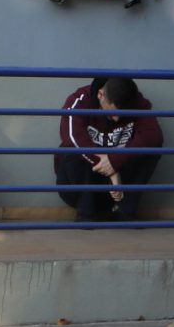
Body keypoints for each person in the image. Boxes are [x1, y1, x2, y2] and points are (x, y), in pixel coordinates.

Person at [54, 75, 163, 221]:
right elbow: (72, 138)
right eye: (113, 112)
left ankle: (125, 211)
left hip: (118, 191)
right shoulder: (80, 100)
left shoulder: (138, 102)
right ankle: (86, 214)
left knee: (151, 150)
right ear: (100, 95)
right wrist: (112, 171)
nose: (117, 119)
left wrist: (114, 161)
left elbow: (154, 136)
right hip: (80, 187)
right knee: (72, 151)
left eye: (122, 114)